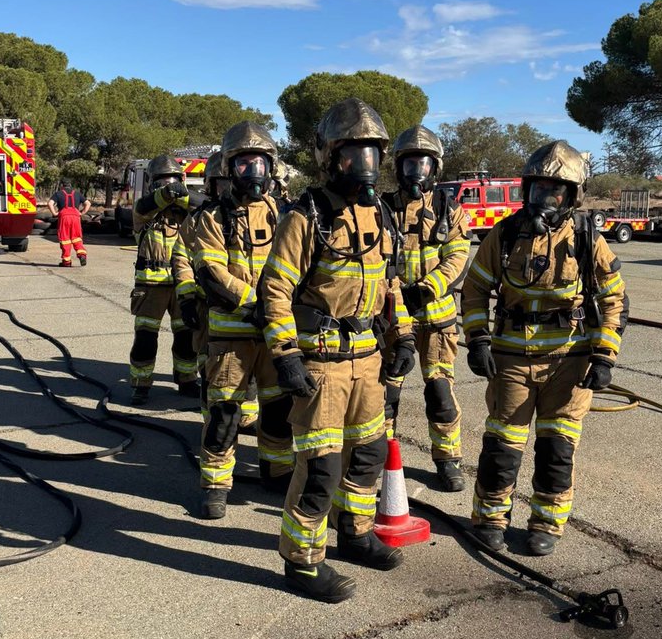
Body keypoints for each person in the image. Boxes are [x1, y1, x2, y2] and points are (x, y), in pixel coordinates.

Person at [259, 97, 417, 603]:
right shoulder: (307, 217)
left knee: (367, 455)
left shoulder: (384, 215)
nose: (365, 166)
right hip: (321, 364)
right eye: (354, 155)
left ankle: (354, 534)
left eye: (373, 154)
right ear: (331, 157)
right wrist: (285, 355)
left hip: (369, 361)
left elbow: (391, 287)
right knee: (319, 469)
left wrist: (404, 336)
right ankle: (301, 562)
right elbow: (275, 291)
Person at [461, 140, 628, 556]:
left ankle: (547, 524)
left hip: (569, 366)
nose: (545, 199)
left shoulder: (589, 238)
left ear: (572, 196)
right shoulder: (504, 235)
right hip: (511, 362)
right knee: (502, 448)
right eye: (538, 190)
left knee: (557, 448)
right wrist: (478, 340)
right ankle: (490, 519)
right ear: (526, 191)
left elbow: (614, 300)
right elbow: (475, 289)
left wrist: (605, 357)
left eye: (555, 191)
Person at [190, 123, 294, 519]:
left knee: (277, 407)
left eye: (259, 163)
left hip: (273, 333)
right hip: (230, 336)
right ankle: (216, 485)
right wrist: (260, 303)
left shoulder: (285, 214)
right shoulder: (211, 217)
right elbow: (213, 273)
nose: (253, 171)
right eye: (244, 163)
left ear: (271, 167)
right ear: (230, 169)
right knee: (224, 413)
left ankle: (278, 470)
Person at [382, 125, 471, 491]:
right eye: (409, 164)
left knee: (440, 393)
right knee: (387, 392)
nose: (415, 172)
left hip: (437, 322)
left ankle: (448, 460)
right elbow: (376, 264)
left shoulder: (451, 211)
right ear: (397, 167)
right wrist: (400, 302)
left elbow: (457, 257)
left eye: (422, 163)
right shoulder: (382, 210)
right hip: (392, 322)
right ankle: (379, 456)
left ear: (435, 168)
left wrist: (427, 290)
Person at [129, 155, 198, 405]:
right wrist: (170, 192)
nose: (166, 186)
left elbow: (205, 205)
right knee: (146, 338)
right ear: (152, 183)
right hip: (150, 287)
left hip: (183, 286)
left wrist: (182, 196)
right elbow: (149, 204)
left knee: (186, 337)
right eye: (161, 182)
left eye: (172, 181)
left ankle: (187, 379)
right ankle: (140, 384)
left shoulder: (187, 215)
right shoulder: (142, 210)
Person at [47, 180, 90, 267]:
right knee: (76, 237)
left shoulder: (58, 194)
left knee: (65, 238)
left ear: (62, 186)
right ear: (70, 186)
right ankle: (82, 254)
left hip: (64, 217)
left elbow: (50, 203)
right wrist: (81, 213)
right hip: (75, 217)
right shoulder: (77, 193)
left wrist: (55, 213)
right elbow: (88, 203)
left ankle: (66, 261)